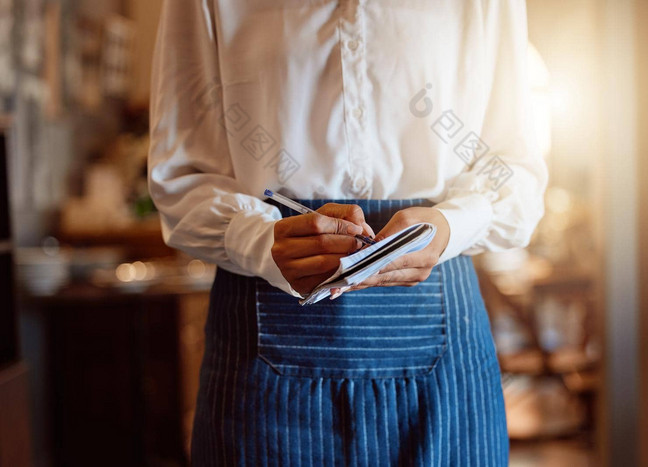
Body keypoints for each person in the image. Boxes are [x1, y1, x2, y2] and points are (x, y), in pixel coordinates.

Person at [148, 0, 547, 464]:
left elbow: (517, 176)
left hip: (441, 348)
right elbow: (181, 177)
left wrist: (451, 225)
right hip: (261, 348)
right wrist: (259, 240)